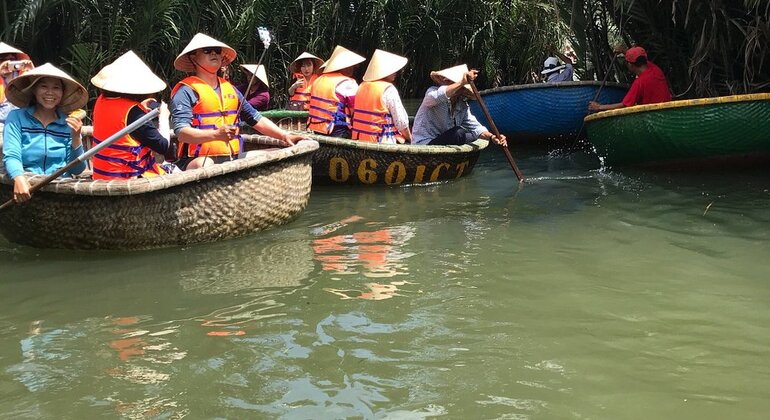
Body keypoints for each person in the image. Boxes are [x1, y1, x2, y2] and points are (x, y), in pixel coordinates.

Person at [170, 33, 305, 170]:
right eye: (207, 51)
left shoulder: (231, 89)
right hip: (196, 160)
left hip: (232, 158)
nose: (213, 54)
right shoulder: (185, 91)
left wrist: (284, 135)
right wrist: (216, 135)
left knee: (278, 153)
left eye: (217, 51)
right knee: (206, 164)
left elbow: (255, 118)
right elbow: (181, 132)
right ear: (194, 58)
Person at [2, 63, 88, 203]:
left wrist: (76, 138)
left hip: (60, 191)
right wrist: (19, 177)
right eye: (43, 86)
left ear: (62, 93)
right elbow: (12, 154)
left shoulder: (69, 123)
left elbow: (77, 169)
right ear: (34, 90)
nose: (50, 92)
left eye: (56, 88)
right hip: (26, 185)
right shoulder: (16, 117)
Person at [90, 50, 175, 180]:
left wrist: (140, 107)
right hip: (128, 177)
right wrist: (163, 116)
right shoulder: (134, 113)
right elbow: (163, 146)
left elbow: (120, 114)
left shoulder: (101, 101)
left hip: (102, 175)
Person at [412, 64, 507, 147]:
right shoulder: (432, 92)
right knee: (458, 132)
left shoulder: (462, 105)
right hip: (425, 143)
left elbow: (476, 127)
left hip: (443, 141)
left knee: (473, 137)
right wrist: (461, 82)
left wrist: (493, 137)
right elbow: (438, 96)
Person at [350, 49, 411, 144]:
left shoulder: (361, 86)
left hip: (359, 139)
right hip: (381, 142)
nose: (396, 72)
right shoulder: (389, 89)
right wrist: (411, 139)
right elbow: (401, 124)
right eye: (392, 69)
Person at [588, 46, 672, 111]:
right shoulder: (655, 69)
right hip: (667, 110)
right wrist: (624, 51)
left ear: (630, 65)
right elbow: (636, 58)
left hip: (653, 115)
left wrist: (599, 107)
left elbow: (624, 105)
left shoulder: (639, 83)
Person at [307, 45, 365, 138]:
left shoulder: (318, 80)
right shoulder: (348, 83)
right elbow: (355, 109)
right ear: (342, 66)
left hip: (316, 127)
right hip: (337, 129)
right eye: (350, 65)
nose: (353, 68)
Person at [0, 42, 35, 127]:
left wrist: (33, 71)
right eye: (3, 59)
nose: (8, 62)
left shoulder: (23, 75)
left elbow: (38, 94)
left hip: (22, 121)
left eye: (12, 59)